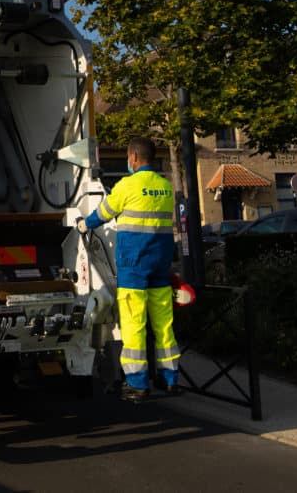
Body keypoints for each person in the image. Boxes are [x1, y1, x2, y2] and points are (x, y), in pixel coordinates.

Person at [77, 136, 181, 402]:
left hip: (134, 265)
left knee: (134, 325)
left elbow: (103, 212)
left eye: (127, 157)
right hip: (160, 263)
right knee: (164, 325)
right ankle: (170, 380)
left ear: (134, 158)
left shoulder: (127, 186)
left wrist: (83, 225)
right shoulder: (165, 186)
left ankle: (137, 384)